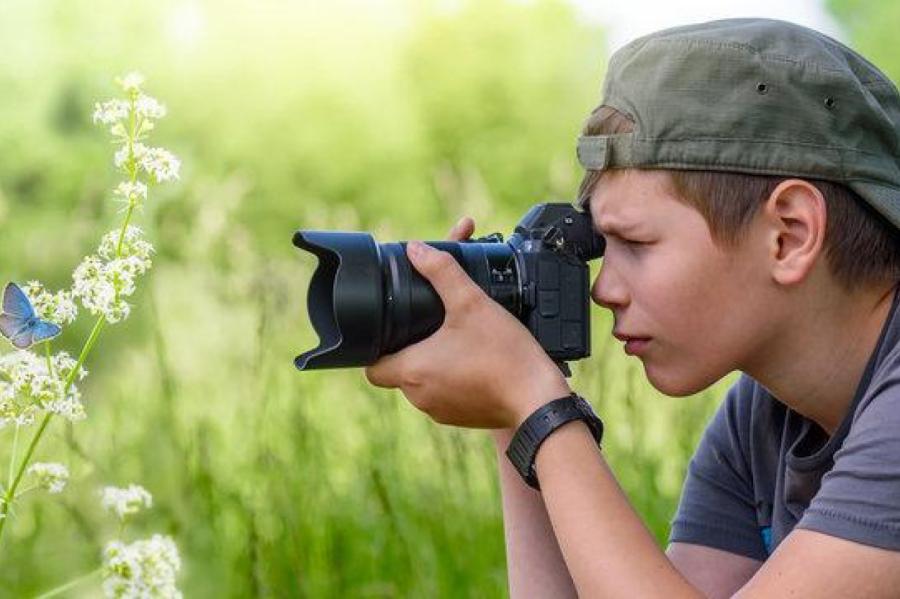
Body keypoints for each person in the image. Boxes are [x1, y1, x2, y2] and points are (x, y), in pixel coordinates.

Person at [365, 17, 900, 597]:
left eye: (636, 245)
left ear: (789, 234)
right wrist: (510, 411)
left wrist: (542, 411)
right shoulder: (763, 417)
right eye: (602, 247)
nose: (604, 289)